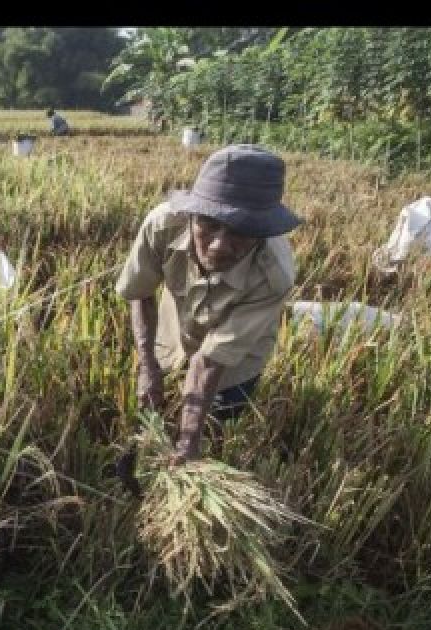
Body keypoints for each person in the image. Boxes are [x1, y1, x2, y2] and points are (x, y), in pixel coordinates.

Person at [114, 144, 302, 465]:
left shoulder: (273, 275)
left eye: (240, 232)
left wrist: (189, 441)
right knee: (156, 400)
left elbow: (212, 361)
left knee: (219, 418)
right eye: (209, 224)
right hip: (175, 336)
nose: (218, 245)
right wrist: (147, 365)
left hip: (233, 363)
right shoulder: (162, 226)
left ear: (260, 233)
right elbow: (140, 292)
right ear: (192, 213)